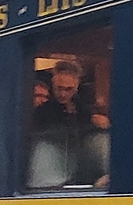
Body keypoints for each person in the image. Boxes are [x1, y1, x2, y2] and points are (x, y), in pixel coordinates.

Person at [29, 59, 109, 188]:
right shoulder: (42, 112)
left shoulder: (84, 110)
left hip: (82, 171)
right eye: (59, 88)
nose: (63, 93)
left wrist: (102, 123)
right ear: (52, 84)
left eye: (69, 89)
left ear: (76, 87)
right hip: (52, 173)